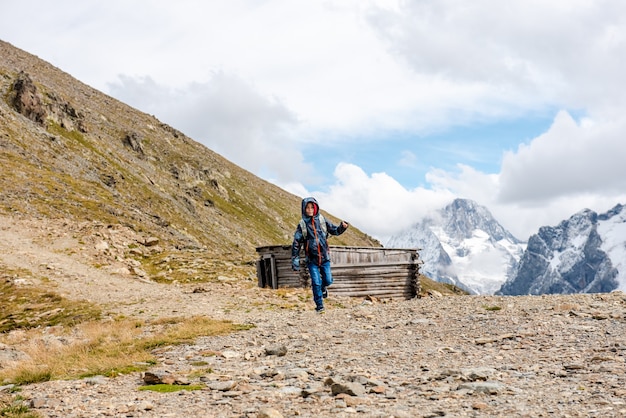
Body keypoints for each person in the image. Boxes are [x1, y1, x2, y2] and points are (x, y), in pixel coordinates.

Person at [291, 197, 349, 313]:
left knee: (328, 280)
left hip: (324, 258)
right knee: (316, 282)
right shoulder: (302, 225)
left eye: (312, 207)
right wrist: (295, 259)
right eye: (307, 207)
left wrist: (342, 227)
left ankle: (323, 288)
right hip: (311, 260)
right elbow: (296, 243)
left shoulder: (322, 220)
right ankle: (319, 306)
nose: (310, 209)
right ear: (304, 209)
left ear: (316, 207)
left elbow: (334, 231)